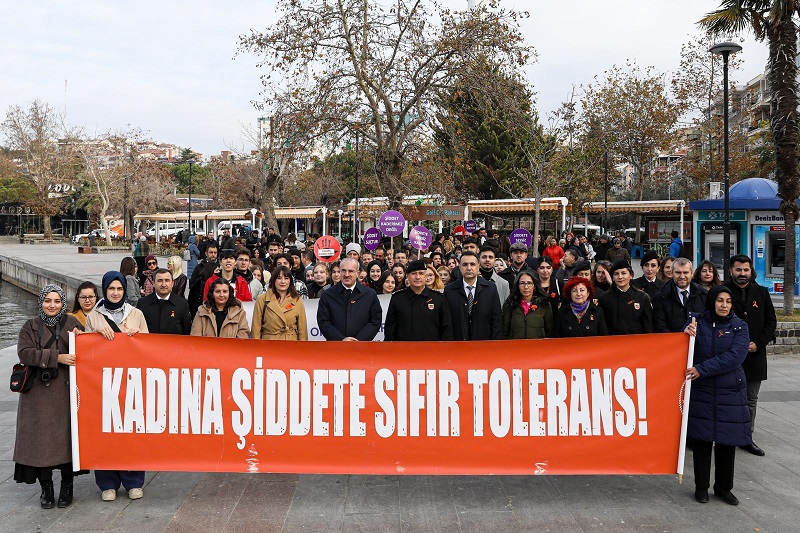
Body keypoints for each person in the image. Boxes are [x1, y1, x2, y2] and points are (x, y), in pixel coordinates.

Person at [14, 284, 84, 509]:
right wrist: (58, 358)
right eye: (47, 301)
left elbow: (86, 350)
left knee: (67, 442)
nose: (52, 305)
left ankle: (67, 486)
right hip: (38, 397)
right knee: (41, 445)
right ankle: (46, 488)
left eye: (57, 301)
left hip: (65, 394)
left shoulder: (73, 324)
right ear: (41, 302)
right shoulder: (30, 326)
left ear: (63, 304)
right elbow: (24, 353)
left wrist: (82, 339)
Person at [683, 285, 751, 506]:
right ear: (711, 301)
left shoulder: (740, 326)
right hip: (701, 391)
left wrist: (702, 369)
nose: (724, 305)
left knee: (726, 442)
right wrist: (685, 334)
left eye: (728, 301)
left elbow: (735, 356)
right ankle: (701, 487)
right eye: (720, 300)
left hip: (729, 392)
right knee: (702, 442)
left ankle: (723, 488)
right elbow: (683, 349)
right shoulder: (696, 323)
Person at [84, 272, 148, 501]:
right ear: (104, 290)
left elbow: (148, 348)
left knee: (131, 433)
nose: (115, 292)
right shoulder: (94, 316)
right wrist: (95, 335)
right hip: (103, 384)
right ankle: (107, 482)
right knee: (106, 433)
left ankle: (134, 481)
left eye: (119, 288)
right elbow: (86, 350)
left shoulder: (136, 314)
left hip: (131, 383)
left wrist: (136, 337)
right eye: (111, 288)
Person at [725, 254, 776, 457]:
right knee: (729, 397)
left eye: (746, 270)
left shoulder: (762, 293)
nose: (742, 274)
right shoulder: (723, 292)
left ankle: (747, 436)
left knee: (751, 399)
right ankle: (727, 434)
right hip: (730, 357)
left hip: (755, 356)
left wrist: (759, 343)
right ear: (731, 271)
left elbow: (771, 322)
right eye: (738, 270)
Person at [384, 260, 453, 341]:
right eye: (413, 273)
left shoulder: (438, 299)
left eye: (421, 273)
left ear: (426, 276)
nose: (417, 277)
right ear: (407, 276)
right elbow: (389, 329)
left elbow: (447, 329)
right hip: (404, 350)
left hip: (432, 351)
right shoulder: (397, 299)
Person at [317, 258, 382, 341]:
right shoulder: (328, 295)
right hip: (335, 348)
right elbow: (323, 322)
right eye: (343, 271)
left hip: (362, 348)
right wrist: (341, 339)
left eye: (351, 271)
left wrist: (359, 340)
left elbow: (375, 321)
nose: (347, 274)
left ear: (358, 273)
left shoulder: (369, 294)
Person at [444, 251, 502, 340]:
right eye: (465, 264)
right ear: (459, 267)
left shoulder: (490, 288)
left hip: (483, 345)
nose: (469, 268)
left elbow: (496, 320)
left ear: (478, 266)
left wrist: (493, 345)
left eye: (472, 264)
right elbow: (446, 322)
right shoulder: (449, 290)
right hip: (457, 344)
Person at [251, 266, 307, 340]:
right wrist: (256, 348)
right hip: (268, 344)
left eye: (286, 278)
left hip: (291, 344)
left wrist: (302, 349)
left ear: (290, 281)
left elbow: (302, 330)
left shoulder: (297, 300)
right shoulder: (262, 299)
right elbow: (256, 328)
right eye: (279, 278)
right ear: (274, 280)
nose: (283, 281)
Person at [598, 260, 652, 335]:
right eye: (616, 274)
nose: (620, 277)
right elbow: (601, 325)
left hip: (636, 342)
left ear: (631, 275)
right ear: (612, 277)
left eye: (623, 273)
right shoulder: (604, 298)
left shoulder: (642, 297)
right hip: (611, 342)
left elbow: (648, 326)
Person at [652, 258, 707, 333]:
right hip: (672, 343)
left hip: (697, 342)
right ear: (672, 273)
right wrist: (681, 336)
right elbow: (660, 327)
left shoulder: (703, 295)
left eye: (685, 272)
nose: (682, 276)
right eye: (678, 272)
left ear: (692, 273)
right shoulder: (660, 297)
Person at [136, 268, 192, 335]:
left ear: (172, 283)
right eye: (160, 281)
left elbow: (187, 331)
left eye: (167, 280)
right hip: (149, 344)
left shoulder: (182, 304)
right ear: (153, 283)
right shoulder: (143, 303)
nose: (163, 284)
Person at [503, 271, 553, 339]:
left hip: (538, 347)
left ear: (534, 286)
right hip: (515, 346)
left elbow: (549, 330)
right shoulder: (510, 304)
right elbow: (505, 330)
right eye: (522, 283)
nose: (526, 287)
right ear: (518, 286)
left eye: (529, 283)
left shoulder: (544, 304)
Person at [187, 241, 219, 316]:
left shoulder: (220, 267)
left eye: (215, 252)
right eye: (211, 252)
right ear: (206, 253)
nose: (213, 255)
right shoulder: (199, 267)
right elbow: (192, 285)